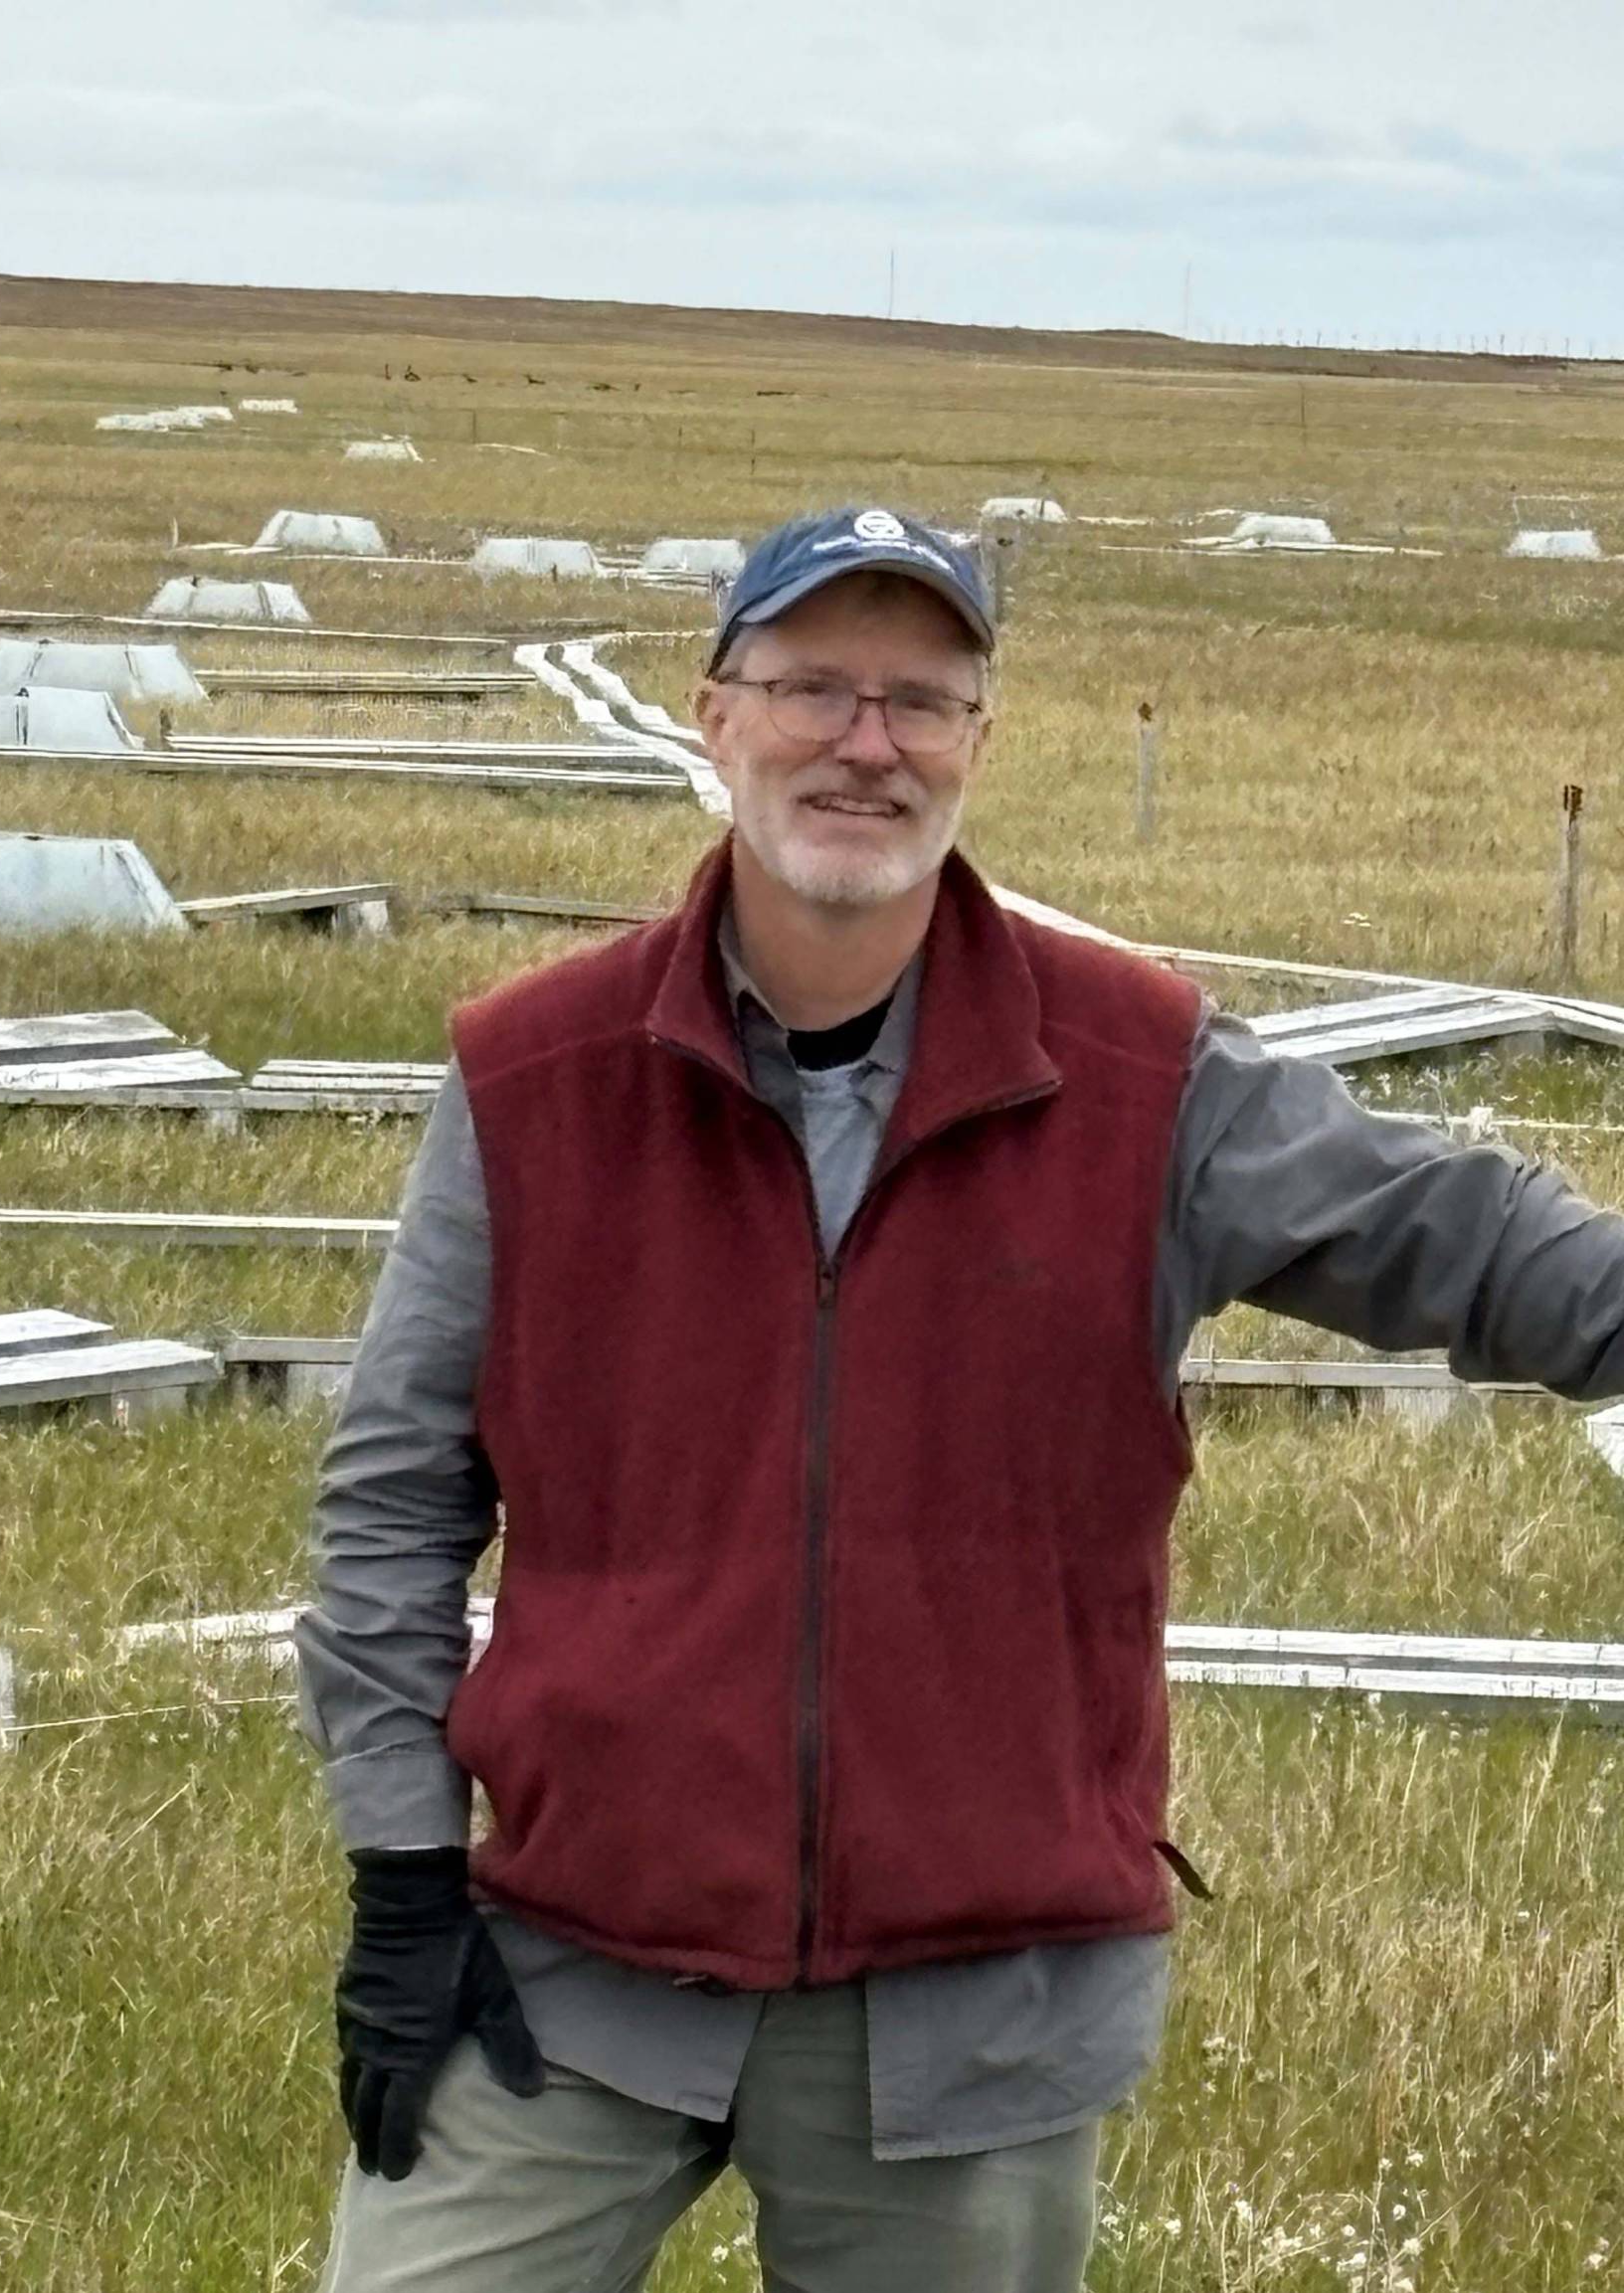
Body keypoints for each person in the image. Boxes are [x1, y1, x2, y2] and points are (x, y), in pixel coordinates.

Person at [296, 506, 1624, 2292]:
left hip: (972, 2015)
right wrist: (400, 1871)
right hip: (573, 1973)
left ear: (978, 742)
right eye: (815, 688)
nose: (867, 743)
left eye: (920, 700)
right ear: (715, 714)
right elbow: (393, 1501)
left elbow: (1460, 1238)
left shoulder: (1143, 1078)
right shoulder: (538, 1078)